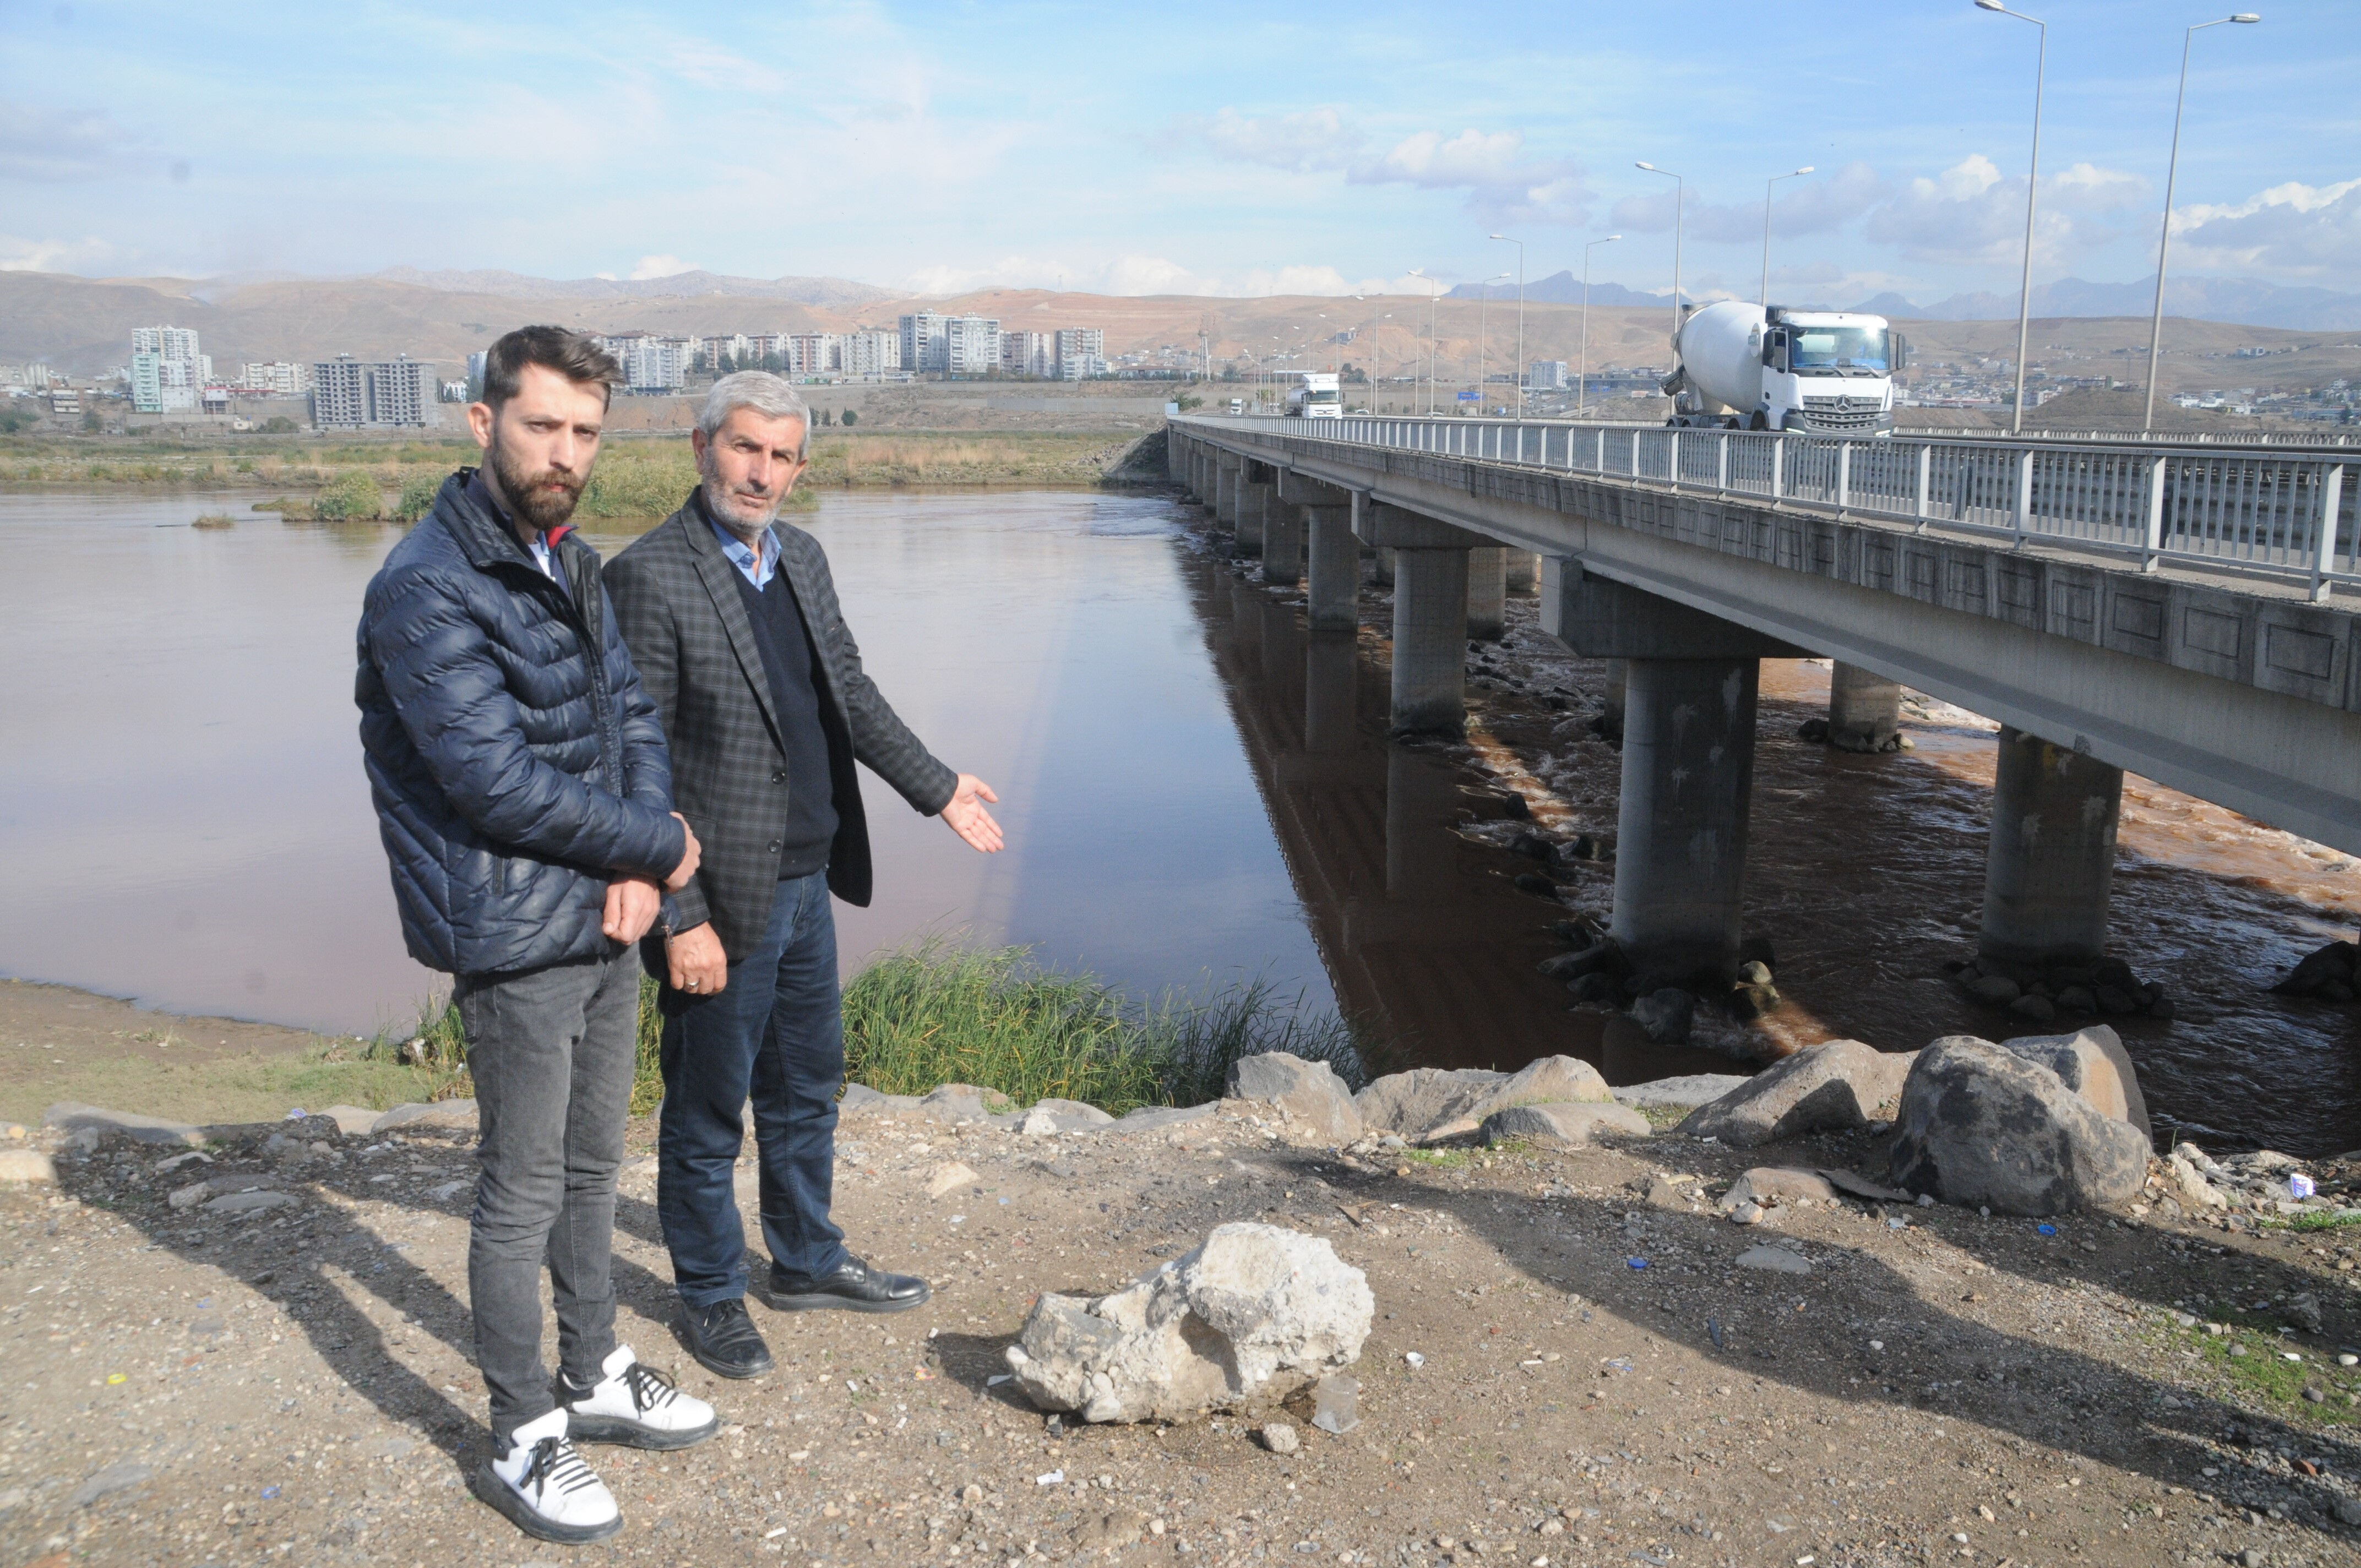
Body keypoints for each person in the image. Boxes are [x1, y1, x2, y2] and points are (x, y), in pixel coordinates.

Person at [356, 326, 721, 1545]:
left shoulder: (566, 556)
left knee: (588, 1167)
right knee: (517, 1190)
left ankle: (594, 1366)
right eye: (542, 426)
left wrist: (641, 864)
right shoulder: (426, 583)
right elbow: (493, 782)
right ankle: (520, 1429)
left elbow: (629, 716)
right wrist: (657, 849)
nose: (565, 453)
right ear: (480, 421)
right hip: (512, 931)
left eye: (585, 432)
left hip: (603, 913)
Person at [606, 371, 1002, 1379]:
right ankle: (707, 1294)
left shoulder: (805, 559)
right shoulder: (649, 575)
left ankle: (805, 1260)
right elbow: (630, 764)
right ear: (700, 449)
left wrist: (938, 786)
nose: (763, 473)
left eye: (783, 456)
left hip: (806, 879)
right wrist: (679, 915)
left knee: (805, 1086)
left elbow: (850, 696)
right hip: (721, 897)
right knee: (705, 1111)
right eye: (746, 448)